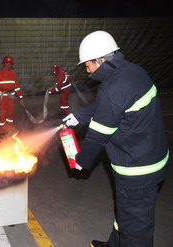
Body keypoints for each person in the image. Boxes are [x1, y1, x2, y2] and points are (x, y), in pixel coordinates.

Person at [62, 30, 169, 247]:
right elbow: (112, 107)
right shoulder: (132, 71)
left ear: (101, 60)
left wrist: (81, 161)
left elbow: (97, 137)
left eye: (88, 64)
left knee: (135, 230)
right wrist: (79, 116)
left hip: (136, 169)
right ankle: (114, 243)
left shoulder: (113, 87)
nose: (87, 68)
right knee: (125, 213)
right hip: (151, 158)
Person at [0, 56, 23, 137]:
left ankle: (9, 129)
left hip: (11, 97)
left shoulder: (13, 73)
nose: (8, 65)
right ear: (4, 64)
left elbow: (16, 86)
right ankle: (1, 130)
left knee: (10, 114)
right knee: (2, 114)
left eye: (10, 63)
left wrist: (19, 95)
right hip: (3, 97)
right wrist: (1, 89)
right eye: (7, 63)